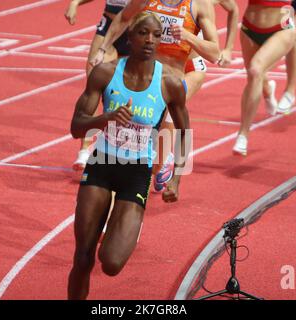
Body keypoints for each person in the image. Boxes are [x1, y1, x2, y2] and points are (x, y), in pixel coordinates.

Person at [68, 12, 190, 300]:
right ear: (129, 37)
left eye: (156, 35)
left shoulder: (170, 83)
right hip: (102, 163)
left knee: (110, 263)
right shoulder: (106, 73)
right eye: (143, 33)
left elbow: (185, 131)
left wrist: (177, 180)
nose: (150, 40)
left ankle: (123, 223)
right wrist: (105, 119)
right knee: (83, 257)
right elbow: (75, 127)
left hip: (136, 172)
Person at [89, 0, 221, 191]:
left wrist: (187, 36)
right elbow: (124, 17)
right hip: (143, 80)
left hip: (171, 85)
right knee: (126, 136)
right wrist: (103, 49)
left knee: (158, 153)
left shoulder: (199, 5)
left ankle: (163, 161)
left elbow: (214, 53)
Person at [232, 0, 296, 156]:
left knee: (256, 69)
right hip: (250, 27)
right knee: (255, 76)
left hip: (282, 26)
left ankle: (243, 134)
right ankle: (268, 90)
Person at [65, 0, 131, 171]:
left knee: (132, 93)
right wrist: (75, 3)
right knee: (94, 83)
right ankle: (85, 150)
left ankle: (150, 153)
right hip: (109, 26)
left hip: (137, 29)